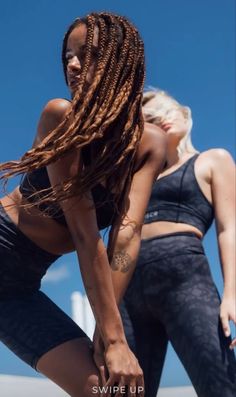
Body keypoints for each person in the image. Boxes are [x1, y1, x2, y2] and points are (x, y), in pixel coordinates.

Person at [0, 14, 167, 397]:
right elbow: (85, 231)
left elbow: (127, 237)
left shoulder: (149, 145)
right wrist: (113, 339)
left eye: (86, 54)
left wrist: (106, 335)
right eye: (67, 57)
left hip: (19, 290)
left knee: (112, 392)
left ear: (120, 61)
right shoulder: (60, 115)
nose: (72, 65)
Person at [120, 89, 236, 397]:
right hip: (128, 286)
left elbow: (229, 229)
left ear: (185, 115)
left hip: (185, 281)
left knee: (220, 383)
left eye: (167, 111)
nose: (162, 119)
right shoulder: (135, 176)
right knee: (123, 391)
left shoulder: (212, 160)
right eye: (151, 118)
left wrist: (231, 295)